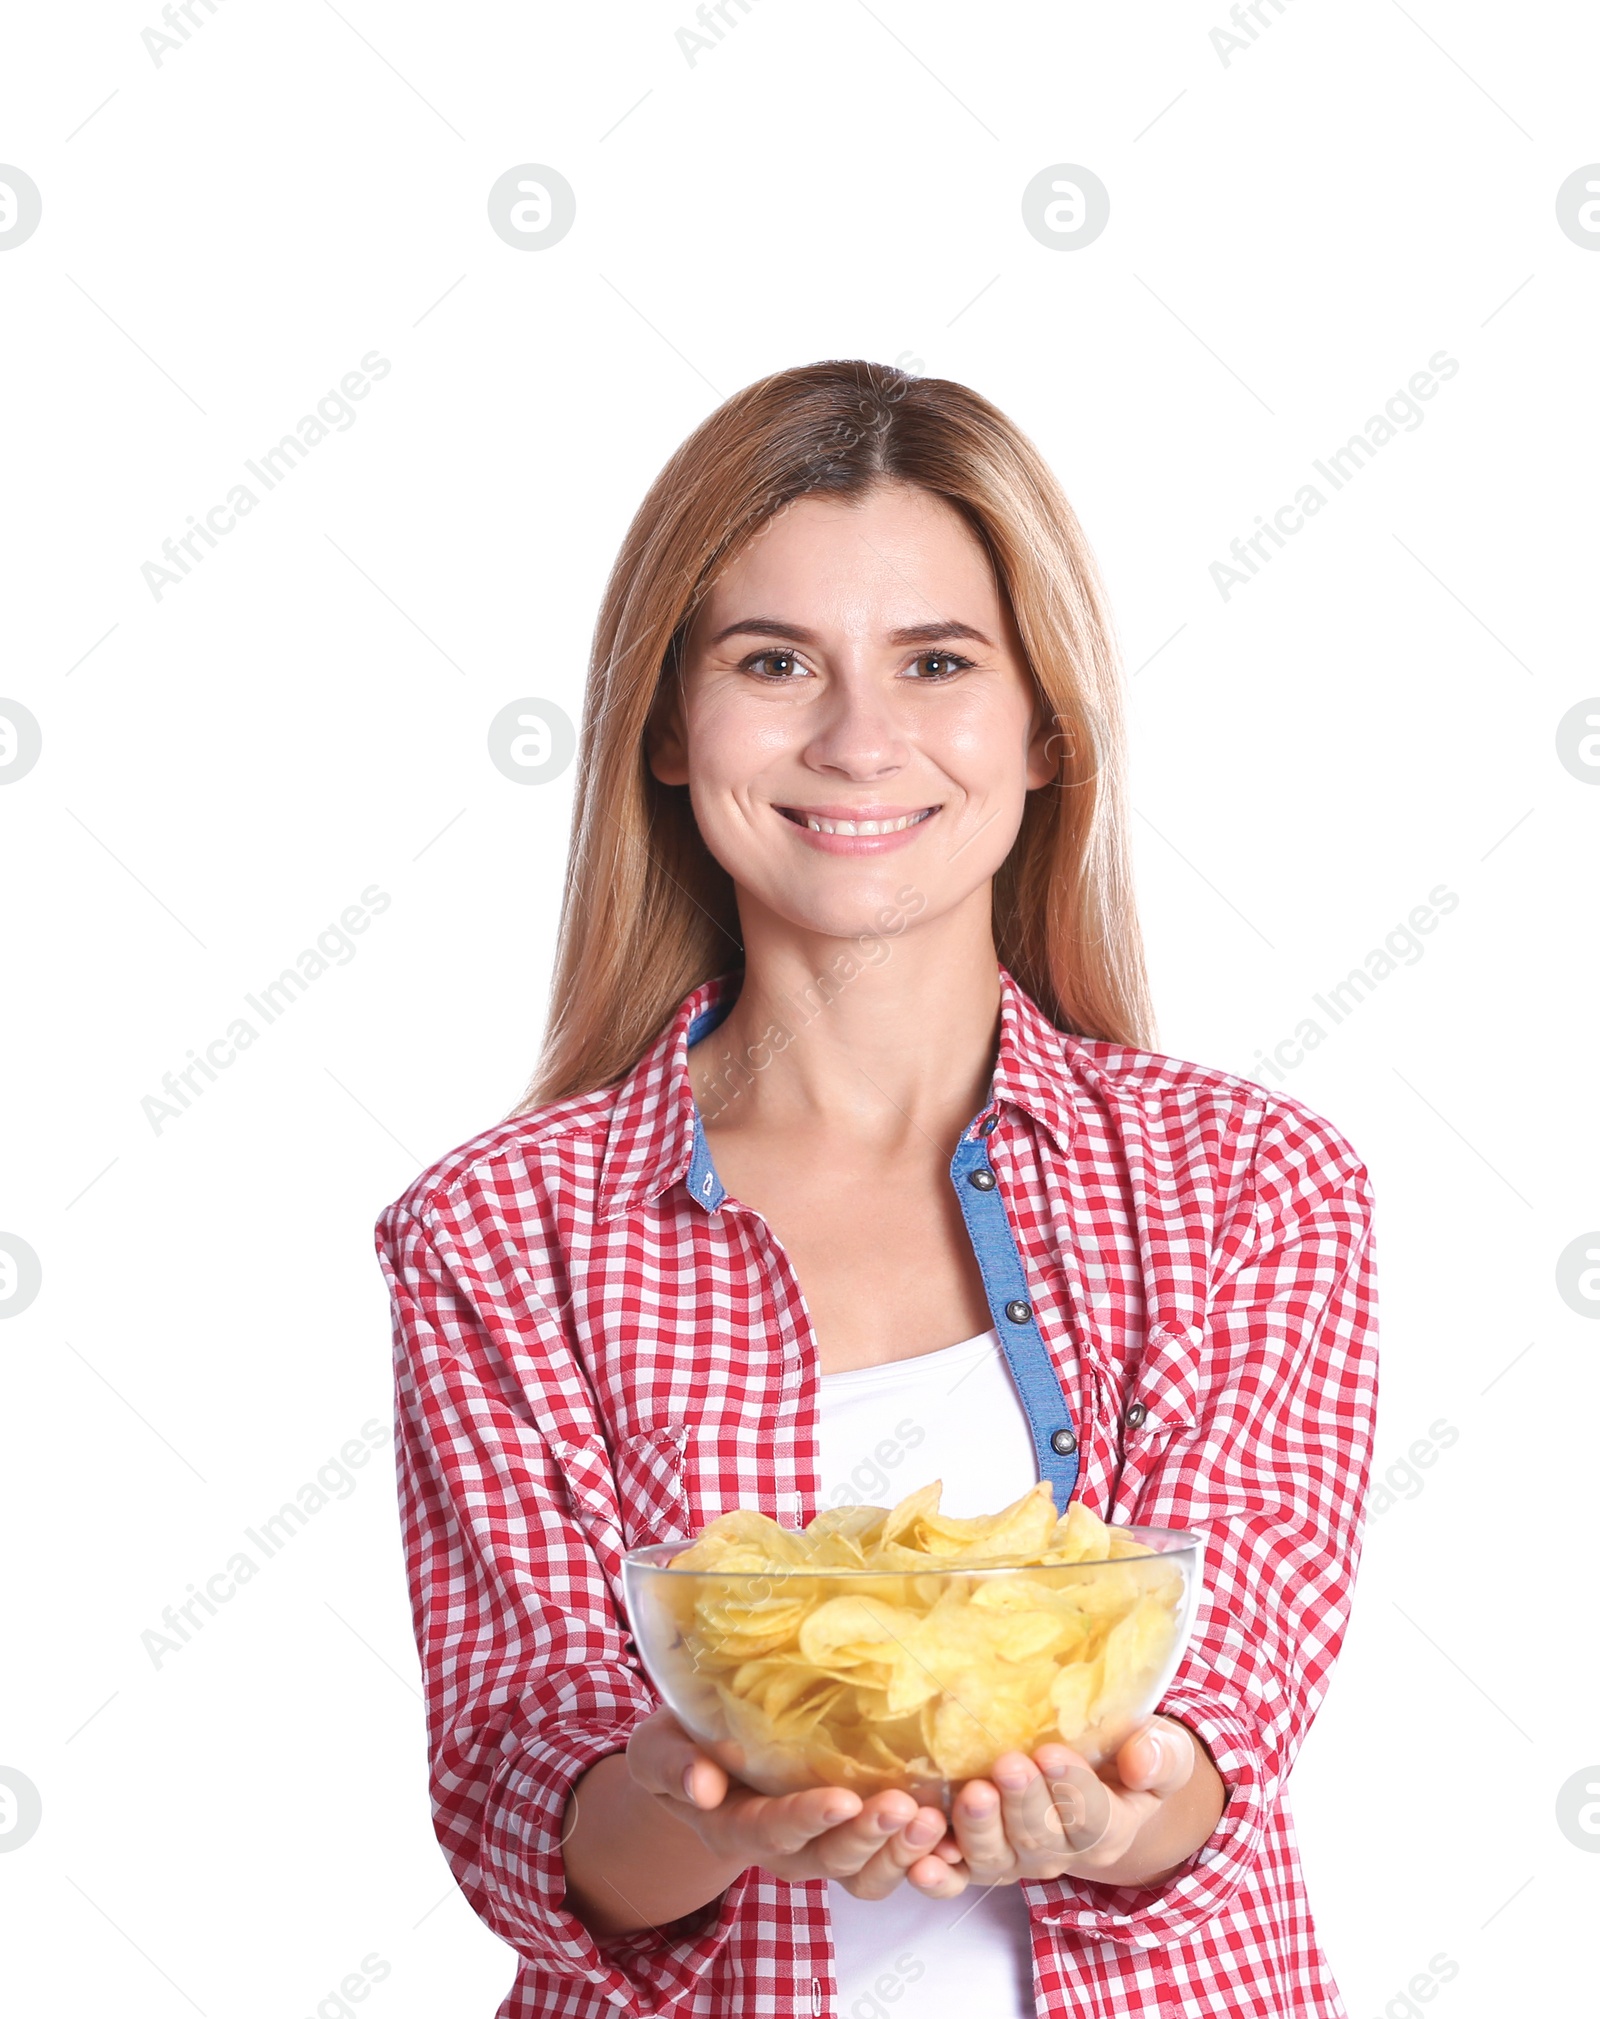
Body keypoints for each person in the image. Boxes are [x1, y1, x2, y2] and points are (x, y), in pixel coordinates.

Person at [374, 359, 1379, 2019]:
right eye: (774, 664)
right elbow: (523, 1782)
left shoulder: (1252, 1188)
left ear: (1045, 729)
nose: (858, 740)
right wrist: (709, 1803)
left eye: (936, 662)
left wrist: (1122, 1818)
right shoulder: (500, 1232)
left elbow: (1236, 1693)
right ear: (672, 734)